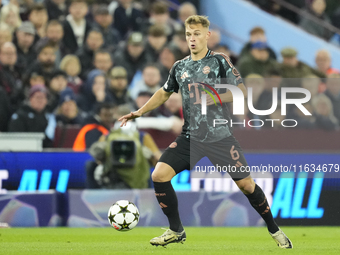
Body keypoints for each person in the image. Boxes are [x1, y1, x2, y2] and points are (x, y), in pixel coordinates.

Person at [119, 15, 293, 248]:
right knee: (159, 175)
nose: (192, 38)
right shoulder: (179, 67)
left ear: (207, 35)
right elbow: (163, 92)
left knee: (247, 186)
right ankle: (175, 230)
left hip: (220, 137)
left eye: (197, 34)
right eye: (189, 34)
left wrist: (214, 98)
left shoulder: (220, 61)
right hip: (191, 137)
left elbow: (241, 91)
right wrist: (139, 112)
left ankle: (275, 230)